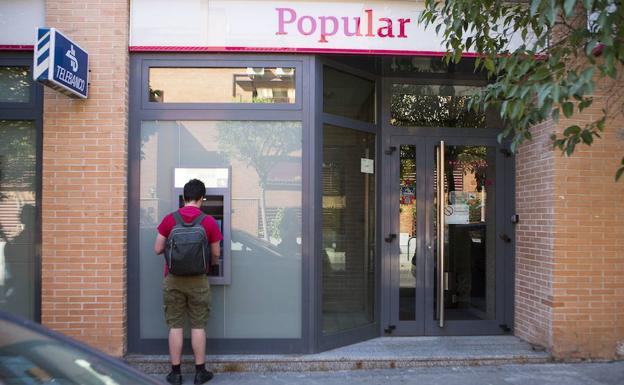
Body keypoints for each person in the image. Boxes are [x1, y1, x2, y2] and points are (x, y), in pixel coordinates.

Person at [154, 179, 222, 385]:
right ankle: (200, 373)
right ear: (202, 198)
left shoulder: (169, 219)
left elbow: (157, 249)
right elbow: (216, 255)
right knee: (198, 326)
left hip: (173, 279)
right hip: (198, 281)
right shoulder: (208, 221)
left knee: (175, 326)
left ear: (184, 198)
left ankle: (175, 374)